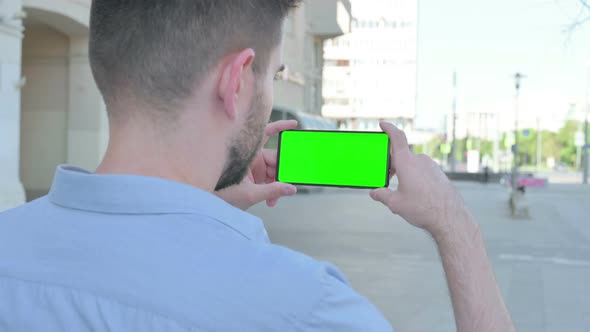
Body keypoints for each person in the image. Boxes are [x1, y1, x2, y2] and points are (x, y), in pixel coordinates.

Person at [0, 1, 515, 331]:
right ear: (238, 80)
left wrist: (194, 204)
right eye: (273, 74)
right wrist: (455, 225)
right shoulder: (305, 308)